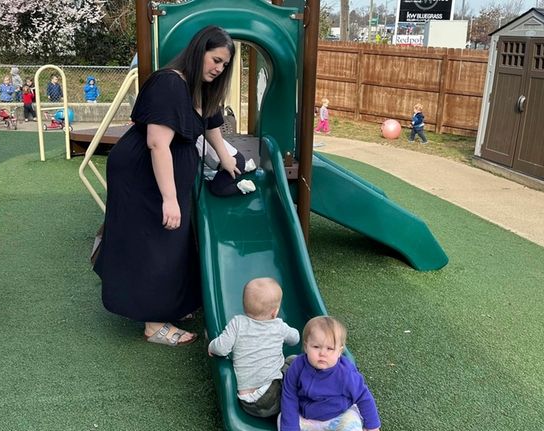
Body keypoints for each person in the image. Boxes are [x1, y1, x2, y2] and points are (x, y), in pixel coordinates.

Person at [93, 26, 240, 347]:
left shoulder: (197, 86)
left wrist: (226, 157)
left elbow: (210, 122)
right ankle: (153, 324)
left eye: (224, 65)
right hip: (143, 175)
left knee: (172, 242)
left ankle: (168, 304)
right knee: (155, 243)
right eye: (216, 60)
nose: (219, 68)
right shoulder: (170, 83)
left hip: (162, 174)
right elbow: (158, 144)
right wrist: (169, 199)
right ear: (199, 51)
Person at [208, 278, 300, 417]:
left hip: (248, 403)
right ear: (274, 312)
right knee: (296, 361)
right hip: (273, 395)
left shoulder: (237, 323)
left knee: (287, 364)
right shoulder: (278, 325)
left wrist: (211, 346)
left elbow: (221, 348)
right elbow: (295, 338)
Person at [280, 316, 381, 431]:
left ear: (339, 351)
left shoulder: (345, 373)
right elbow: (289, 395)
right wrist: (291, 427)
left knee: (352, 424)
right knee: (283, 420)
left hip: (338, 416)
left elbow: (363, 396)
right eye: (316, 347)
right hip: (305, 416)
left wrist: (373, 426)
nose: (322, 353)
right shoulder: (297, 366)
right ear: (306, 346)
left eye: (330, 348)